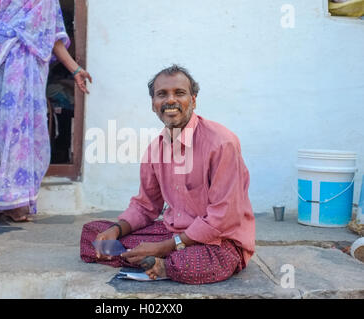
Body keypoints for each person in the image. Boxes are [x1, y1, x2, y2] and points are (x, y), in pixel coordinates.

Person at [80, 65, 255, 284]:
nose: (170, 100)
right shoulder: (155, 149)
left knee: (189, 263)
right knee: (94, 234)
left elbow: (224, 217)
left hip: (219, 241)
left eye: (179, 93)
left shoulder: (221, 143)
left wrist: (165, 247)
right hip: (173, 233)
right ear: (153, 105)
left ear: (193, 100)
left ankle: (163, 263)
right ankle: (153, 261)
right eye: (162, 94)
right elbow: (145, 206)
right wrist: (115, 230)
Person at [0, 0, 92, 225]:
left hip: (31, 69)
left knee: (25, 131)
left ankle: (15, 202)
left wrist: (75, 69)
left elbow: (52, 37)